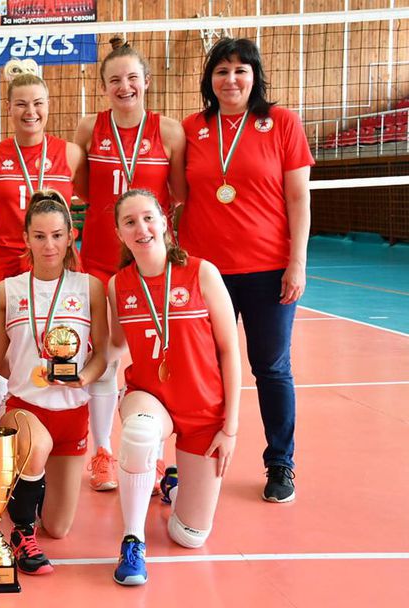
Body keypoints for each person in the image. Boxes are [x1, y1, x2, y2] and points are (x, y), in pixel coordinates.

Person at [177, 37, 312, 503]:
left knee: (271, 367)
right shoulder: (193, 128)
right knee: (204, 368)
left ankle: (281, 463)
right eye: (221, 71)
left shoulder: (281, 123)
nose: (231, 79)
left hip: (268, 268)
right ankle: (196, 459)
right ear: (209, 80)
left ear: (255, 76)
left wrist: (297, 262)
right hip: (205, 272)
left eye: (240, 70)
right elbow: (178, 197)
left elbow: (298, 197)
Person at [0, 191, 107, 576]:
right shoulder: (8, 290)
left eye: (58, 235)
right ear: (25, 238)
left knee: (58, 528)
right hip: (25, 410)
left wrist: (84, 377)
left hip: (73, 415)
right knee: (36, 445)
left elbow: (102, 354)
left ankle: (26, 486)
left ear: (71, 236)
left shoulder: (90, 288)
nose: (49, 245)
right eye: (40, 236)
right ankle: (21, 532)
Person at [108, 189, 240, 586]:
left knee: (189, 536)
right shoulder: (117, 285)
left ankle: (174, 485)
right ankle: (133, 541)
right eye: (130, 222)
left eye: (148, 217)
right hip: (150, 397)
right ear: (119, 233)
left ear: (164, 221)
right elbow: (111, 346)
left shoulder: (202, 273)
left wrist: (230, 428)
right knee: (139, 432)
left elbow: (230, 351)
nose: (141, 228)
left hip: (203, 408)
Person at [73, 38, 186, 493]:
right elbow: (82, 190)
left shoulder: (169, 132)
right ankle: (102, 452)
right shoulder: (89, 128)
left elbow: (178, 197)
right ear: (103, 86)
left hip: (152, 263)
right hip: (100, 258)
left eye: (132, 78)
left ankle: (153, 455)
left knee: (155, 355)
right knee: (104, 357)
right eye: (115, 80)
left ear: (147, 82)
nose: (125, 87)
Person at [0, 66, 84, 475]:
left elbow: (86, 195)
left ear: (49, 106)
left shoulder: (70, 154)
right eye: (21, 104)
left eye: (37, 103)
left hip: (54, 261)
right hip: (4, 264)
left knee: (58, 344)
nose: (30, 111)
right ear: (8, 107)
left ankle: (56, 438)